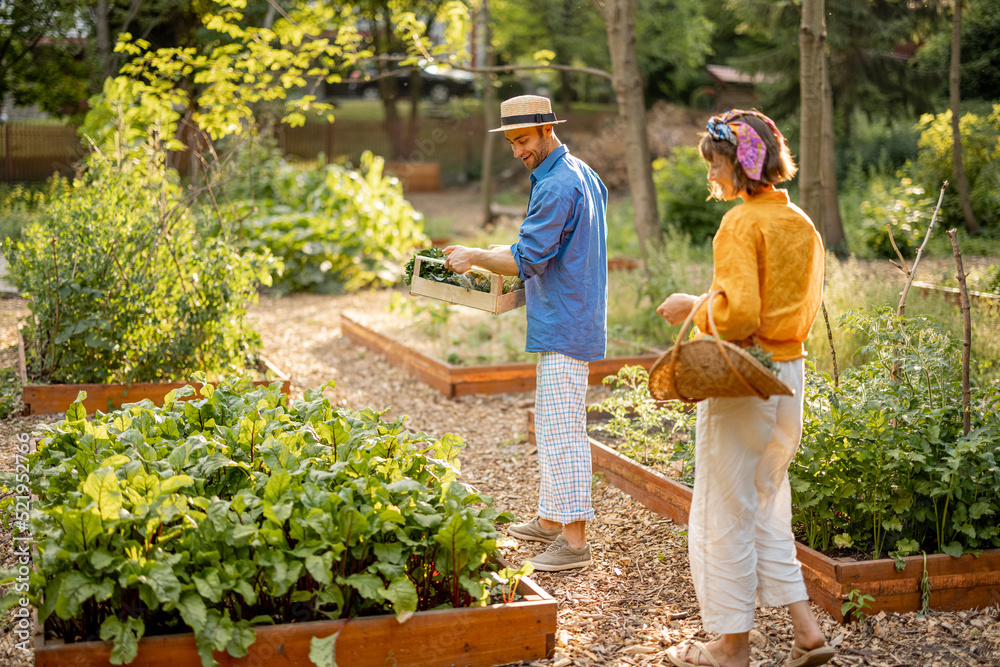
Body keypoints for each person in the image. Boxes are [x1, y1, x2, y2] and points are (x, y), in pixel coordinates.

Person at [655, 109, 833, 667]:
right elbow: (800, 305)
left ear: (736, 162)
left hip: (744, 382)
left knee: (722, 512)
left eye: (715, 164)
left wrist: (693, 306)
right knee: (765, 506)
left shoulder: (741, 224)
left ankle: (731, 647)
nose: (712, 176)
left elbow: (738, 315)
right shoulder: (801, 222)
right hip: (790, 375)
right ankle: (807, 633)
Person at [443, 94, 608, 572]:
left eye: (523, 140)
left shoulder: (557, 185)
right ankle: (551, 520)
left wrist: (473, 256)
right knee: (552, 420)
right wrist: (498, 249)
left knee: (563, 432)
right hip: (572, 312)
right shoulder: (578, 171)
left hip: (564, 320)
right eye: (511, 142)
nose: (517, 151)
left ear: (546, 130)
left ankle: (574, 544)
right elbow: (545, 246)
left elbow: (527, 258)